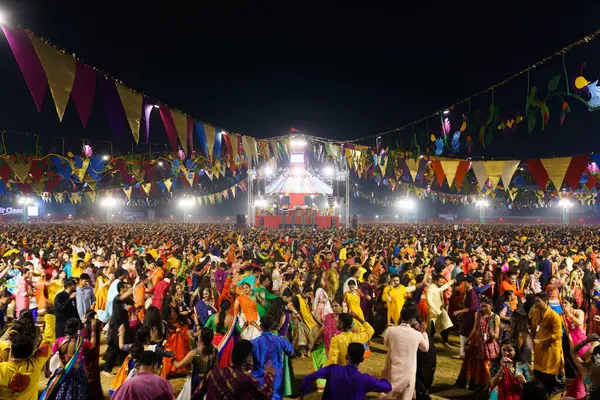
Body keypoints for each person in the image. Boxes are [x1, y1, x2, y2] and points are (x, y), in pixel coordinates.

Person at [300, 342, 392, 400]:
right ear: (362, 360)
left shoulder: (332, 369)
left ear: (346, 357)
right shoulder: (365, 379)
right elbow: (387, 387)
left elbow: (308, 378)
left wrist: (303, 393)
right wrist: (378, 377)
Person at [195, 339, 275, 400]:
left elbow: (196, 395)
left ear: (232, 354)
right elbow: (266, 397)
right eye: (250, 356)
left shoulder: (212, 373)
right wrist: (269, 375)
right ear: (247, 358)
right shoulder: (247, 380)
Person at [380, 301, 429, 400]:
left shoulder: (390, 330)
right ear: (413, 319)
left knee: (388, 395)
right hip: (408, 372)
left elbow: (386, 344)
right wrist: (423, 333)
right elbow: (425, 348)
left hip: (392, 370)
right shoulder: (416, 334)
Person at [0, 312, 55, 400]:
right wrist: (49, 318)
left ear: (11, 350)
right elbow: (48, 341)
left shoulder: (2, 369)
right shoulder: (35, 364)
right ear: (31, 353)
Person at [455, 297, 500, 393]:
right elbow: (475, 328)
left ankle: (486, 386)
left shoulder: (496, 317)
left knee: (486, 366)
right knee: (474, 364)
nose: (483, 308)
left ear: (491, 306)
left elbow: (497, 334)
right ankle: (475, 385)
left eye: (485, 306)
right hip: (476, 343)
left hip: (489, 345)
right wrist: (467, 341)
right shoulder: (478, 314)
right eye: (482, 306)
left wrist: (493, 335)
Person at [250, 315, 295, 400]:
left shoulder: (253, 342)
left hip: (259, 378)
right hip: (275, 378)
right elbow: (292, 354)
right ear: (272, 326)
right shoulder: (281, 340)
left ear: (261, 326)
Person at [529, 293, 565, 396]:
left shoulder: (554, 316)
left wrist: (541, 340)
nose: (536, 303)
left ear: (545, 302)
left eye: (538, 301)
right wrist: (533, 338)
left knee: (551, 371)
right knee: (539, 369)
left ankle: (555, 391)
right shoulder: (536, 312)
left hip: (552, 347)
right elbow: (533, 326)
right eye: (535, 301)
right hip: (539, 347)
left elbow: (557, 335)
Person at [174, 327, 218, 399]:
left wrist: (173, 360)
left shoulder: (194, 353)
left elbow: (178, 365)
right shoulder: (215, 350)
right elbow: (216, 367)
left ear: (200, 338)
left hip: (197, 381)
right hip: (210, 380)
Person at [103, 281, 134, 376]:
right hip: (117, 326)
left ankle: (124, 367)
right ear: (121, 289)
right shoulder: (117, 299)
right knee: (114, 347)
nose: (128, 289)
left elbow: (132, 303)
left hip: (124, 325)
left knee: (124, 347)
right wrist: (131, 289)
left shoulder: (126, 299)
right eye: (126, 287)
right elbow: (123, 300)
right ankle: (106, 370)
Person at [426, 274, 454, 348]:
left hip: (440, 311)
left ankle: (445, 341)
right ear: (435, 281)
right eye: (440, 282)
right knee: (432, 330)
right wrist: (437, 311)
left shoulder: (436, 287)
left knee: (446, 326)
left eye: (442, 282)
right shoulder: (431, 289)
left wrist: (452, 281)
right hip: (433, 313)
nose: (442, 284)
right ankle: (428, 344)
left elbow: (443, 287)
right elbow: (429, 301)